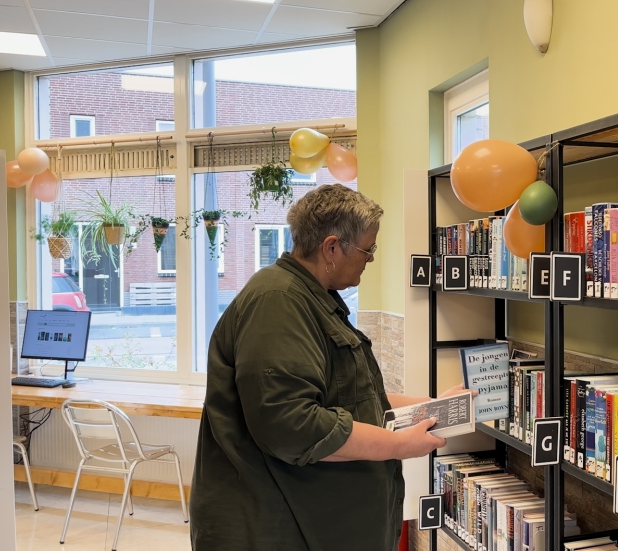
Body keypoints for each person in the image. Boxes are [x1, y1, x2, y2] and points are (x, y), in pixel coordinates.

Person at [191, 184, 466, 550]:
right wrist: (398, 444)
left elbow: (351, 394)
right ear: (332, 248)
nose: (370, 259)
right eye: (368, 249)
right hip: (280, 528)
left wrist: (431, 406)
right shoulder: (278, 302)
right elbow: (294, 425)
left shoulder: (311, 297)